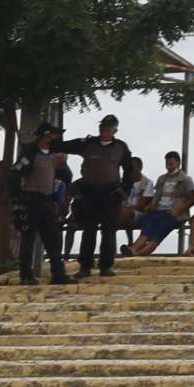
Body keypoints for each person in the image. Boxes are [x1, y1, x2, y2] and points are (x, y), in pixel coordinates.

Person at [60, 115, 134, 279]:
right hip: (90, 192)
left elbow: (130, 171)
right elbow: (66, 146)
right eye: (102, 127)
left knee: (109, 231)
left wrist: (124, 191)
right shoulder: (88, 143)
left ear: (114, 130)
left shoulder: (121, 147)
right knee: (89, 230)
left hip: (111, 193)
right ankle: (85, 266)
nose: (104, 130)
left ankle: (106, 265)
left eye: (108, 128)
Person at [12, 122, 72, 286]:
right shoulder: (30, 153)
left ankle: (58, 274)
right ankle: (25, 275)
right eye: (54, 135)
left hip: (47, 200)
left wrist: (63, 162)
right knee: (28, 238)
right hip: (31, 199)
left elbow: (67, 176)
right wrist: (18, 201)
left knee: (53, 238)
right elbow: (15, 173)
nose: (57, 138)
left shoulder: (53, 154)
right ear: (46, 135)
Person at [135, 151, 193, 256]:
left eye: (171, 164)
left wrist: (178, 210)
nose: (169, 167)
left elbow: (191, 199)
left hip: (173, 214)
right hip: (158, 211)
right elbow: (157, 195)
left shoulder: (185, 180)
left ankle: (139, 254)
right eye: (167, 164)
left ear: (178, 163)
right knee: (146, 228)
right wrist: (151, 207)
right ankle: (134, 249)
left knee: (158, 233)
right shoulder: (162, 179)